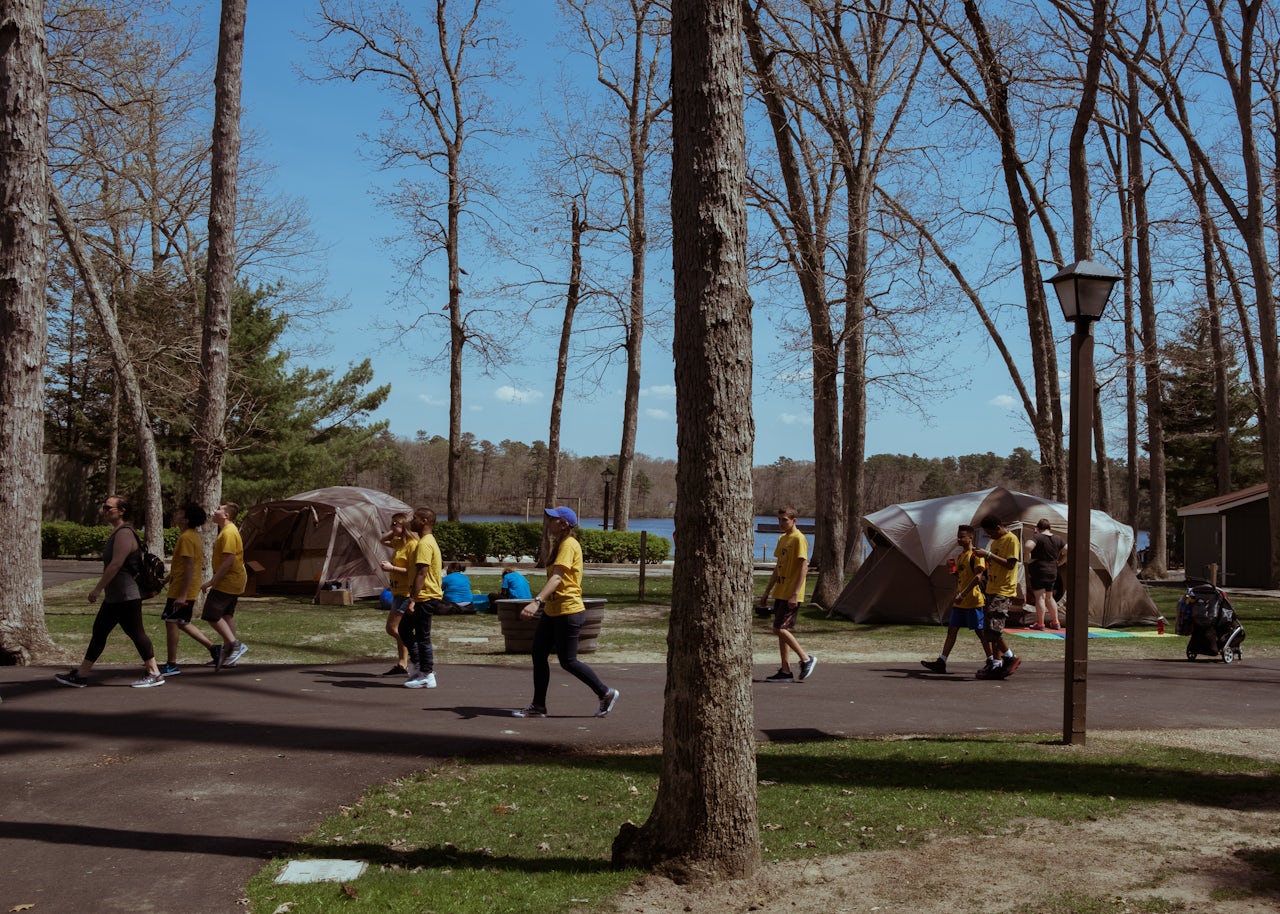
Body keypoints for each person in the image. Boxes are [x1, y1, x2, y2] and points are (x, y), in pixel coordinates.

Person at [512, 506, 619, 718]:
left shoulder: (569, 544)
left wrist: (536, 601)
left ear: (563, 524)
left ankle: (605, 692)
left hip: (568, 611)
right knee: (539, 653)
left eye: (552, 519)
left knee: (568, 661)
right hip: (553, 611)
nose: (548, 522)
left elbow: (558, 577)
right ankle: (538, 706)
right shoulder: (559, 544)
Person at [55, 495, 166, 688]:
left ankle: (154, 672)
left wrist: (97, 589)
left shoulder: (124, 533)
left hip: (126, 595)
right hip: (116, 596)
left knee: (137, 633)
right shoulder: (118, 532)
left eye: (109, 508)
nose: (105, 511)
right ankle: (81, 674)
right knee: (99, 632)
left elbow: (116, 564)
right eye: (104, 507)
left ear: (121, 511)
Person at [157, 503, 221, 676]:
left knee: (171, 623)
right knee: (182, 622)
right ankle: (214, 648)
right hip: (182, 587)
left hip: (181, 590)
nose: (176, 514)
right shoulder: (190, 536)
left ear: (185, 519)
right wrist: (166, 580)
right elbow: (180, 566)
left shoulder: (186, 538)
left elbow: (189, 568)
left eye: (179, 512)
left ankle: (171, 664)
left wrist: (182, 595)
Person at [756, 506, 817, 683]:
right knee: (781, 630)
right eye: (780, 520)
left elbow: (803, 567)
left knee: (779, 628)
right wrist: (767, 592)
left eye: (785, 520)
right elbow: (778, 568)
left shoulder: (799, 539)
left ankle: (806, 659)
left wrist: (796, 593)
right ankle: (785, 670)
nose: (782, 523)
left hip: (792, 592)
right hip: (780, 591)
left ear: (794, 521)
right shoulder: (783, 539)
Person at [921, 524, 992, 675]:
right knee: (952, 630)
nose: (959, 539)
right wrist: (953, 571)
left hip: (973, 600)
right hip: (960, 601)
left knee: (981, 632)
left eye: (962, 537)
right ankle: (942, 661)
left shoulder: (976, 554)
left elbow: (978, 577)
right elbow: (961, 576)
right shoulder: (961, 556)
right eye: (958, 536)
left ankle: (991, 660)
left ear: (971, 537)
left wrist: (963, 594)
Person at [200, 502, 248, 670]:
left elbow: (228, 561)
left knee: (211, 614)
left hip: (228, 581)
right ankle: (229, 654)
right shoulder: (228, 531)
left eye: (219, 509)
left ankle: (235, 645)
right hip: (235, 580)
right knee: (226, 616)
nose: (215, 511)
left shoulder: (228, 532)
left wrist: (211, 582)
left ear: (226, 515)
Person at [974, 514, 1021, 679]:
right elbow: (994, 564)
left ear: (998, 528)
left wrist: (987, 555)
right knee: (989, 630)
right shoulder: (994, 542)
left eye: (990, 532)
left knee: (994, 629)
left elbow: (1010, 564)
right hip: (992, 588)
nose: (989, 536)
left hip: (1004, 590)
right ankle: (996, 664)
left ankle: (1010, 657)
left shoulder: (1011, 540)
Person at [402, 507, 444, 689]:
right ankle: (420, 666)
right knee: (404, 628)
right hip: (422, 596)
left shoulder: (425, 544)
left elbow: (422, 572)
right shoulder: (426, 541)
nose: (412, 521)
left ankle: (427, 674)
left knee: (422, 636)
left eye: (415, 518)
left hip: (425, 597)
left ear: (425, 521)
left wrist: (412, 598)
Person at [377, 512, 417, 675]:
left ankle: (417, 654)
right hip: (396, 591)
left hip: (406, 592)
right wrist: (394, 529)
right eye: (391, 524)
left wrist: (392, 568)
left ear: (405, 526)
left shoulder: (413, 545)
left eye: (396, 524)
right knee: (400, 629)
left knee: (393, 629)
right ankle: (402, 665)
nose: (392, 527)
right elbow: (382, 540)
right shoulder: (399, 542)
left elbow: (413, 571)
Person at [1024, 518, 1067, 630]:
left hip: (1039, 570)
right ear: (1049, 528)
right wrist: (1061, 561)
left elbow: (1028, 546)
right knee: (1049, 596)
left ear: (1038, 528)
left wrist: (1028, 558)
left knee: (1040, 597)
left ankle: (1041, 623)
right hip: (1052, 571)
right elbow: (1067, 549)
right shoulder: (1057, 538)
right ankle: (1056, 622)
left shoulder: (1037, 537)